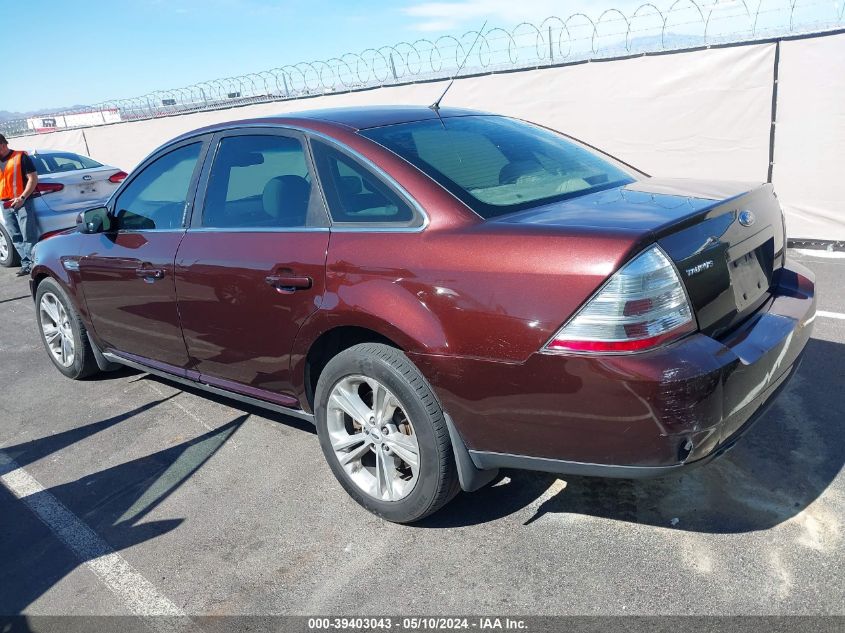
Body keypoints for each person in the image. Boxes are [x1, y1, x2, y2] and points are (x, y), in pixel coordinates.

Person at [0, 134, 39, 276]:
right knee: (15, 236)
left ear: (3, 145)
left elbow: (33, 178)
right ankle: (26, 264)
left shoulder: (20, 157)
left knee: (28, 235)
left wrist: (22, 197)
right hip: (5, 203)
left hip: (22, 202)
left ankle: (35, 263)